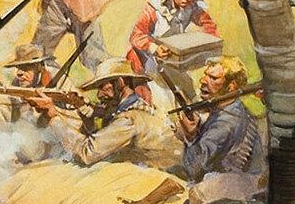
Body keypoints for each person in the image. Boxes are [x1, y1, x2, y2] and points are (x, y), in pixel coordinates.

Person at [31, 58, 182, 169]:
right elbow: (102, 117)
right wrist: (81, 107)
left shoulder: (128, 120)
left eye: (103, 86)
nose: (99, 95)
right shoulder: (139, 108)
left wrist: (52, 116)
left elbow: (87, 153)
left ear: (120, 83)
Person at [179, 56, 264, 188]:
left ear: (231, 86)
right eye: (205, 75)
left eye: (213, 78)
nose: (203, 80)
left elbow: (193, 169)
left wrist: (190, 137)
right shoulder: (233, 108)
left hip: (230, 189)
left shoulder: (226, 123)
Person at [127, 0, 220, 75]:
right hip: (148, 58)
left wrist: (211, 46)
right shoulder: (154, 8)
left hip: (173, 56)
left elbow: (209, 25)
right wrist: (154, 48)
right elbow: (136, 35)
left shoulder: (191, 7)